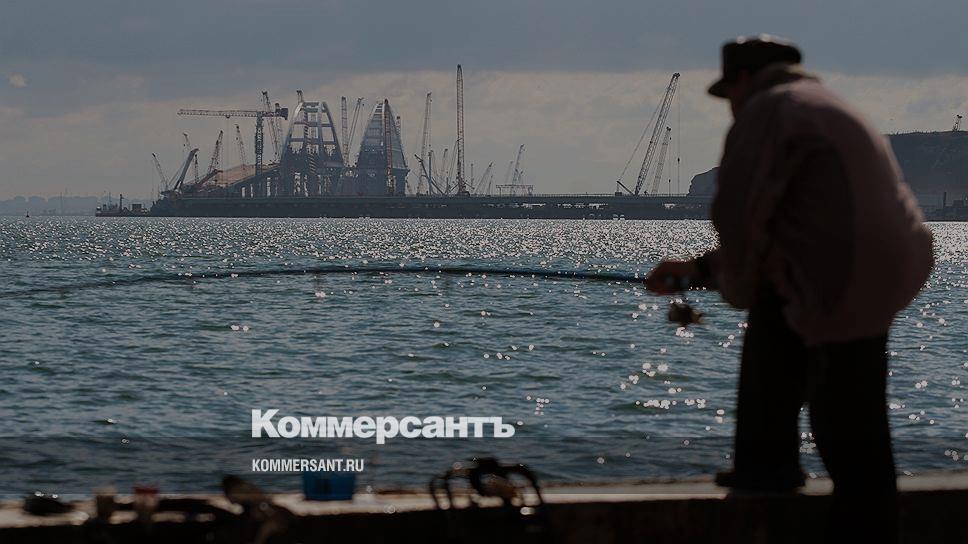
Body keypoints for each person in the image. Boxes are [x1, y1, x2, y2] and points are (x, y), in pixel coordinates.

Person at [645, 35, 933, 542]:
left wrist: (726, 284)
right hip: (898, 260)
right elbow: (787, 231)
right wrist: (700, 270)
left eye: (729, 94)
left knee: (843, 418)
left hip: (843, 267)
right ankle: (772, 468)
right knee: (836, 383)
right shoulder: (827, 104)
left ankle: (778, 475)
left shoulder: (766, 111)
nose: (730, 106)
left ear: (743, 81)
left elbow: (741, 217)